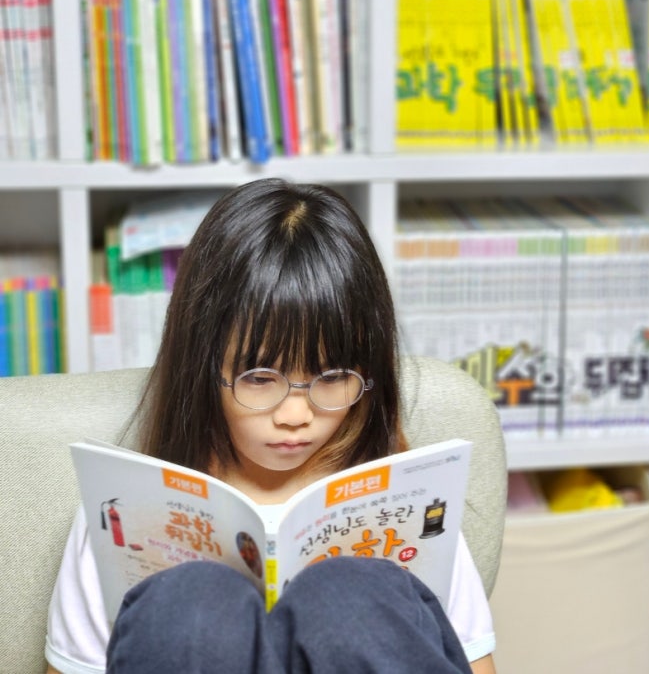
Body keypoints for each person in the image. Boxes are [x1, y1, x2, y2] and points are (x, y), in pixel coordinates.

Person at [45, 178, 497, 674]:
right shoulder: (120, 509)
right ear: (202, 366)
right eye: (260, 378)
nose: (295, 415)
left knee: (351, 598)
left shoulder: (409, 505)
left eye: (333, 377)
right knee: (192, 605)